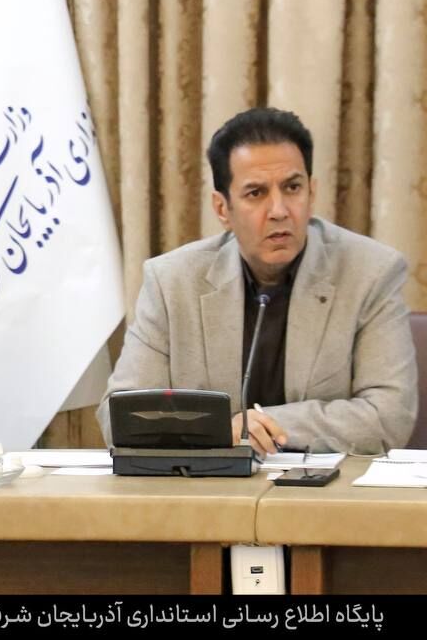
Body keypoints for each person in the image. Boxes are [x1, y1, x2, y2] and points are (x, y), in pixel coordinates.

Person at [98, 108, 417, 455]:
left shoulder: (371, 272)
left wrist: (261, 424)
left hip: (326, 484)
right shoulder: (173, 281)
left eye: (292, 188)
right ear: (222, 209)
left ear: (311, 193)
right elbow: (120, 417)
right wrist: (218, 429)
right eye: (256, 193)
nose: (279, 210)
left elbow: (389, 416)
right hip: (209, 486)